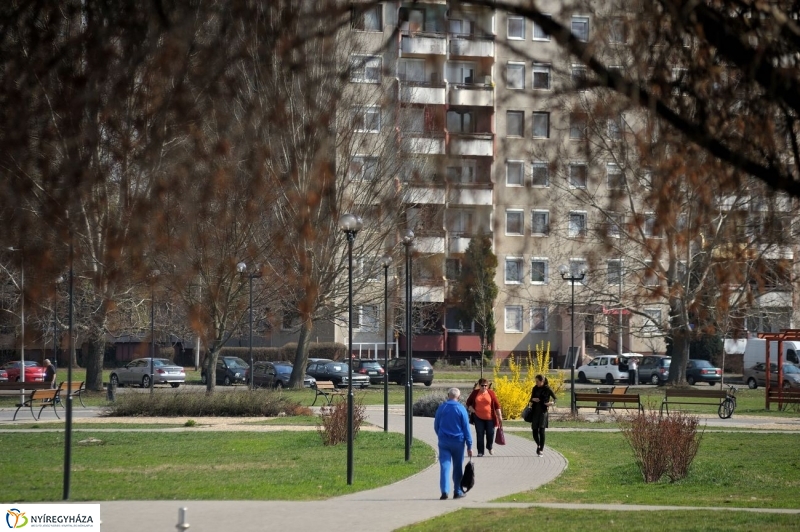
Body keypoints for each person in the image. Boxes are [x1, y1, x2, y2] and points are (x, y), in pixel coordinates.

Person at [433, 387, 473, 500]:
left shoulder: (442, 408)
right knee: (457, 467)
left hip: (444, 441)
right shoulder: (461, 409)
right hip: (458, 442)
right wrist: (470, 445)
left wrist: (441, 436)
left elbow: (436, 425)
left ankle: (445, 491)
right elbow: (466, 428)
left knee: (445, 466)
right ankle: (457, 491)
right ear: (458, 397)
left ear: (448, 395)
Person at [465, 377, 503, 457]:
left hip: (490, 418)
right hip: (478, 417)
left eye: (486, 385)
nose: (484, 387)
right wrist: (471, 408)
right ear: (479, 385)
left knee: (490, 433)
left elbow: (497, 405)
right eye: (482, 385)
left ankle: (490, 447)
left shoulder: (491, 393)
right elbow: (468, 402)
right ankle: (480, 452)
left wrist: (499, 416)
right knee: (480, 434)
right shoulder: (475, 393)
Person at [529, 374, 556, 457]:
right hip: (535, 411)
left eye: (537, 381)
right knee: (534, 431)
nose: (536, 383)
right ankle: (538, 445)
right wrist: (533, 399)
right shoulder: (535, 388)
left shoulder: (547, 389)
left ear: (542, 381)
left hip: (543, 412)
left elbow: (555, 398)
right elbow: (531, 398)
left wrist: (551, 403)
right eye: (535, 381)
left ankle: (541, 450)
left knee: (541, 430)